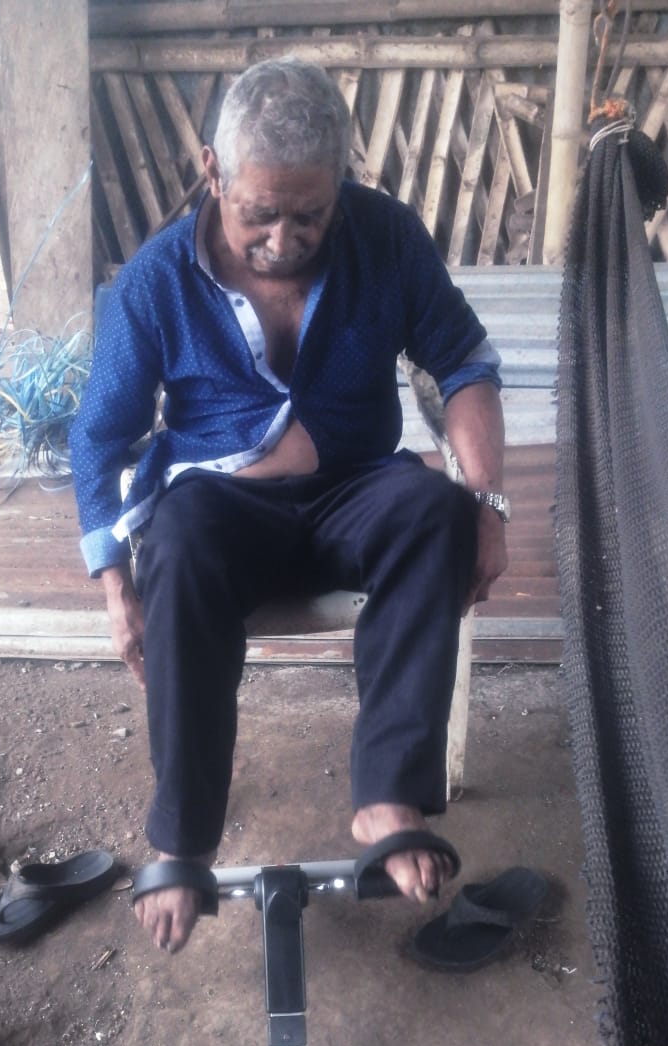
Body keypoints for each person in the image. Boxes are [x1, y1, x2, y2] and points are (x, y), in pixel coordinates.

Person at [70, 58, 508, 954]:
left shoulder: (386, 239)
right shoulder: (155, 282)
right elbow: (99, 439)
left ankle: (388, 797)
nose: (283, 238)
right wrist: (115, 587)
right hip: (224, 501)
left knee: (434, 511)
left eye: (309, 213)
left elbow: (464, 363)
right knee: (177, 542)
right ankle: (183, 841)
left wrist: (489, 505)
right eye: (260, 213)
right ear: (212, 172)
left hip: (356, 486)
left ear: (342, 182)